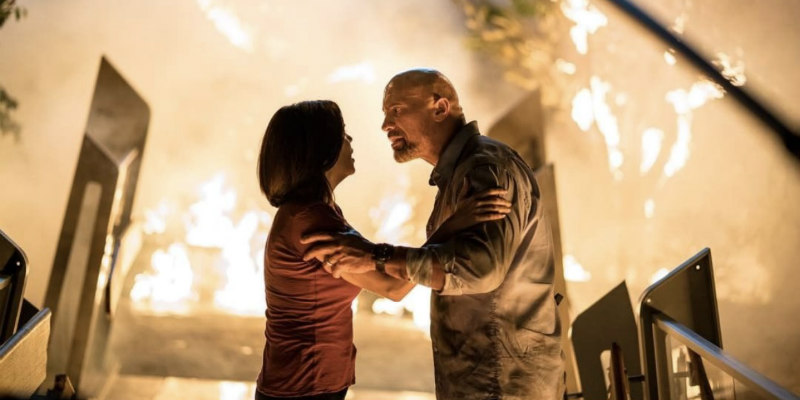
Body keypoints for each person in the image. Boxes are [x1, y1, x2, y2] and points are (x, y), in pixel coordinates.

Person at [302, 70, 565, 399]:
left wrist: (374, 255)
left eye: (396, 110)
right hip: (486, 380)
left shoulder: (486, 170)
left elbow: (480, 270)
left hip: (502, 384)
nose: (385, 125)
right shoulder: (462, 173)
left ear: (440, 108)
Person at [254, 99, 512, 400]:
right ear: (320, 149)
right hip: (303, 386)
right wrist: (454, 223)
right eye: (342, 133)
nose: (350, 139)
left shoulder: (319, 212)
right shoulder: (309, 220)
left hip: (309, 382)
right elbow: (393, 286)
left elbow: (374, 263)